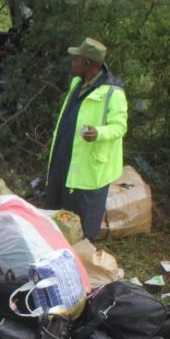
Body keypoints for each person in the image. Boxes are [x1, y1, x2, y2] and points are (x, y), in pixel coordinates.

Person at [45, 37, 128, 240]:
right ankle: (54, 244)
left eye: (76, 59)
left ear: (87, 63)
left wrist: (99, 133)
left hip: (88, 166)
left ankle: (80, 249)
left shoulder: (113, 92)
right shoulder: (77, 83)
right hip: (65, 156)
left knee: (81, 219)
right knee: (55, 209)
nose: (72, 62)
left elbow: (120, 127)